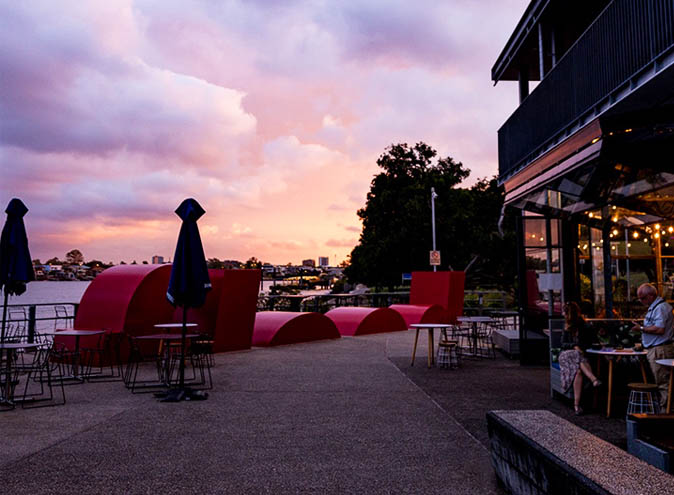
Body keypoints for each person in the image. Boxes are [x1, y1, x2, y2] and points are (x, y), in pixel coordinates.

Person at [631, 283, 674, 409]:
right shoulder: (656, 307)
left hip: (660, 349)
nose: (641, 301)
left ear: (651, 295)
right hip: (657, 348)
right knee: (662, 381)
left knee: (663, 382)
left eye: (643, 298)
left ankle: (666, 411)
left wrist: (641, 328)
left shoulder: (660, 308)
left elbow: (659, 329)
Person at [559, 302, 601, 415]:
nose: (563, 315)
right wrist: (574, 346)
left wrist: (580, 347)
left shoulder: (585, 326)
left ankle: (577, 406)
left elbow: (592, 342)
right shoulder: (566, 327)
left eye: (564, 312)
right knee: (577, 354)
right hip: (566, 355)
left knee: (578, 372)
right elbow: (563, 344)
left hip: (580, 356)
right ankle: (593, 379)